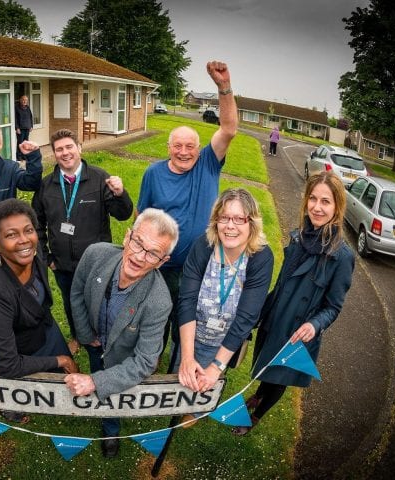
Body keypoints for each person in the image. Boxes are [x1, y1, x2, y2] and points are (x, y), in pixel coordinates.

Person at [234, 170, 355, 436]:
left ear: (337, 207)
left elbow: (334, 307)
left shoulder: (342, 256)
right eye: (313, 198)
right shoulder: (300, 236)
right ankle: (258, 394)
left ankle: (255, 416)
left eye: (325, 201)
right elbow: (281, 284)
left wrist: (315, 325)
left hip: (297, 331)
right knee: (266, 367)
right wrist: (257, 312)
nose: (317, 207)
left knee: (279, 377)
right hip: (276, 317)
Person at [136, 60, 239, 368]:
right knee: (158, 316)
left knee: (191, 319)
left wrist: (224, 86)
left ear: (199, 147)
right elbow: (142, 218)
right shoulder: (153, 174)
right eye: (178, 146)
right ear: (168, 147)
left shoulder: (208, 162)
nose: (185, 152)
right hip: (163, 265)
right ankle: (151, 359)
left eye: (190, 146)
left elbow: (229, 128)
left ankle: (181, 365)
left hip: (202, 265)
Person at [64, 208, 178, 458]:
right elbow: (77, 293)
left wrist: (96, 382)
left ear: (162, 262)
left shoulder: (159, 301)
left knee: (110, 387)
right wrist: (85, 336)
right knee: (97, 369)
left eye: (153, 254)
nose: (139, 257)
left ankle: (111, 430)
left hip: (122, 358)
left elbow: (146, 361)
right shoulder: (95, 254)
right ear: (127, 236)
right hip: (95, 342)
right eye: (138, 243)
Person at [174, 188, 274, 426]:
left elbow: (246, 317)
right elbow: (186, 299)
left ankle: (196, 411)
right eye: (224, 217)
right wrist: (188, 357)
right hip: (193, 330)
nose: (230, 226)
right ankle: (179, 401)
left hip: (224, 339)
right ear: (216, 220)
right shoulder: (204, 245)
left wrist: (217, 366)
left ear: (252, 223)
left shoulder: (261, 257)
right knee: (182, 374)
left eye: (239, 219)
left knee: (206, 383)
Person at [0, 199, 79, 421]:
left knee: (68, 378)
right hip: (22, 350)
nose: (24, 240)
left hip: (46, 329)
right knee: (26, 391)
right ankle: (15, 409)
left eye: (28, 230)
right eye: (11, 235)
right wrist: (60, 360)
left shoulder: (33, 250)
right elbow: (8, 364)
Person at [32, 128, 133, 355]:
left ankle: (103, 337)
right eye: (59, 149)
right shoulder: (46, 185)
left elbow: (123, 214)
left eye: (69, 147)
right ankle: (78, 336)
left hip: (97, 263)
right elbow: (35, 223)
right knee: (70, 303)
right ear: (54, 153)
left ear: (79, 148)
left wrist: (120, 194)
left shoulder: (99, 178)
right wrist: (48, 258)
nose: (65, 153)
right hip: (63, 265)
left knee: (98, 303)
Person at [14, 96, 34, 160]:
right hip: (20, 129)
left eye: (26, 100)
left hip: (27, 128)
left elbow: (30, 117)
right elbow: (15, 119)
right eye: (23, 100)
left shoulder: (27, 107)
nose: (24, 101)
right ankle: (19, 156)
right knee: (20, 143)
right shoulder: (17, 108)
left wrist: (31, 126)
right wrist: (17, 128)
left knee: (26, 143)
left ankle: (24, 155)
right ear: (20, 100)